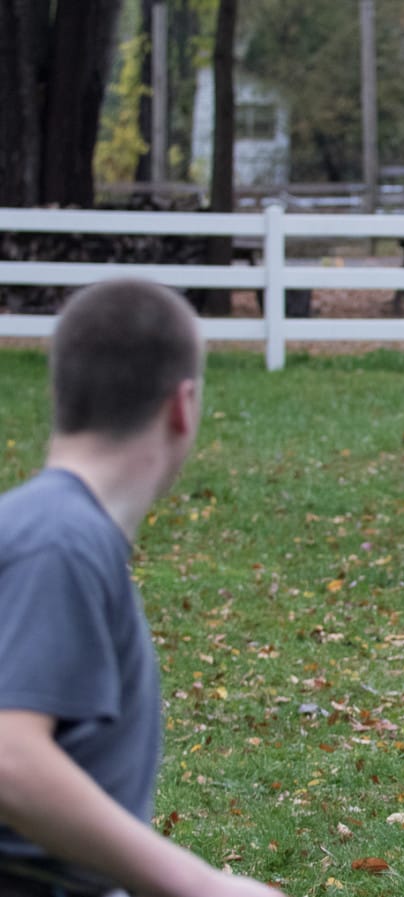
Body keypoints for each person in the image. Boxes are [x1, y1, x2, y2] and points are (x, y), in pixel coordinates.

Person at [0, 279, 287, 896]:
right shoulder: (56, 538)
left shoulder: (55, 529)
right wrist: (200, 884)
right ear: (182, 406)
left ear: (63, 394)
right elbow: (10, 760)